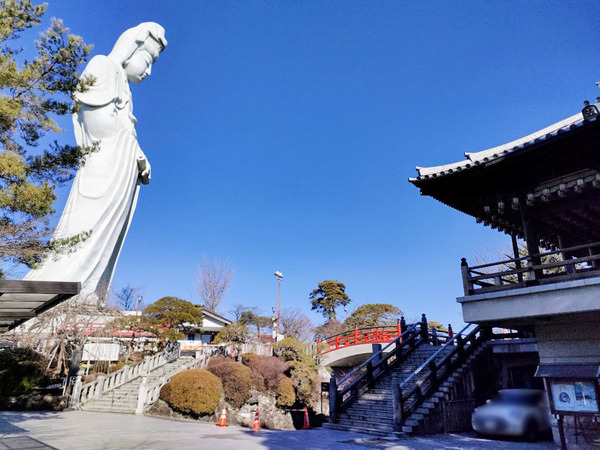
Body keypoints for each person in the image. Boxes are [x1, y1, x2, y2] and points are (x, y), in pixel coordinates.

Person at [25, 23, 167, 304]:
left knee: (106, 238)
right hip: (101, 172)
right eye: (148, 60)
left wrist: (137, 156)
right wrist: (136, 151)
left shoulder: (123, 86)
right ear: (132, 49)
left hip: (117, 172)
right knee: (84, 232)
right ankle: (55, 299)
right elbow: (100, 126)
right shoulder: (103, 66)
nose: (149, 71)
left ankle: (87, 296)